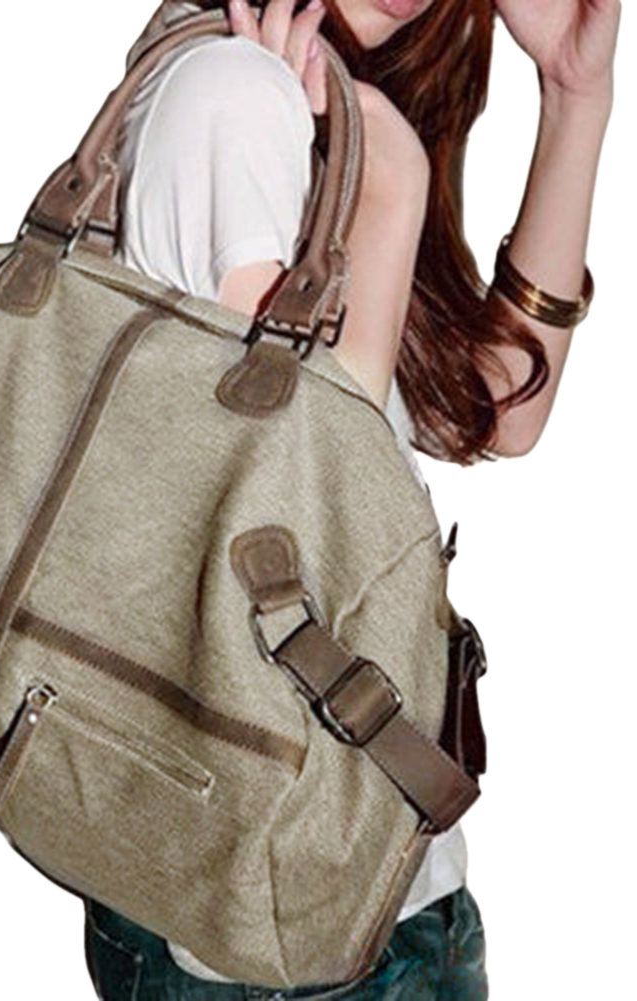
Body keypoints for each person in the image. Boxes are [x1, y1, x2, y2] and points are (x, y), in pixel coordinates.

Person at [83, 0, 618, 998]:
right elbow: (325, 485)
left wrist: (572, 94)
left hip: (340, 883)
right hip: (291, 926)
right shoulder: (238, 94)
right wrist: (394, 183)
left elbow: (498, 407)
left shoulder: (318, 106)